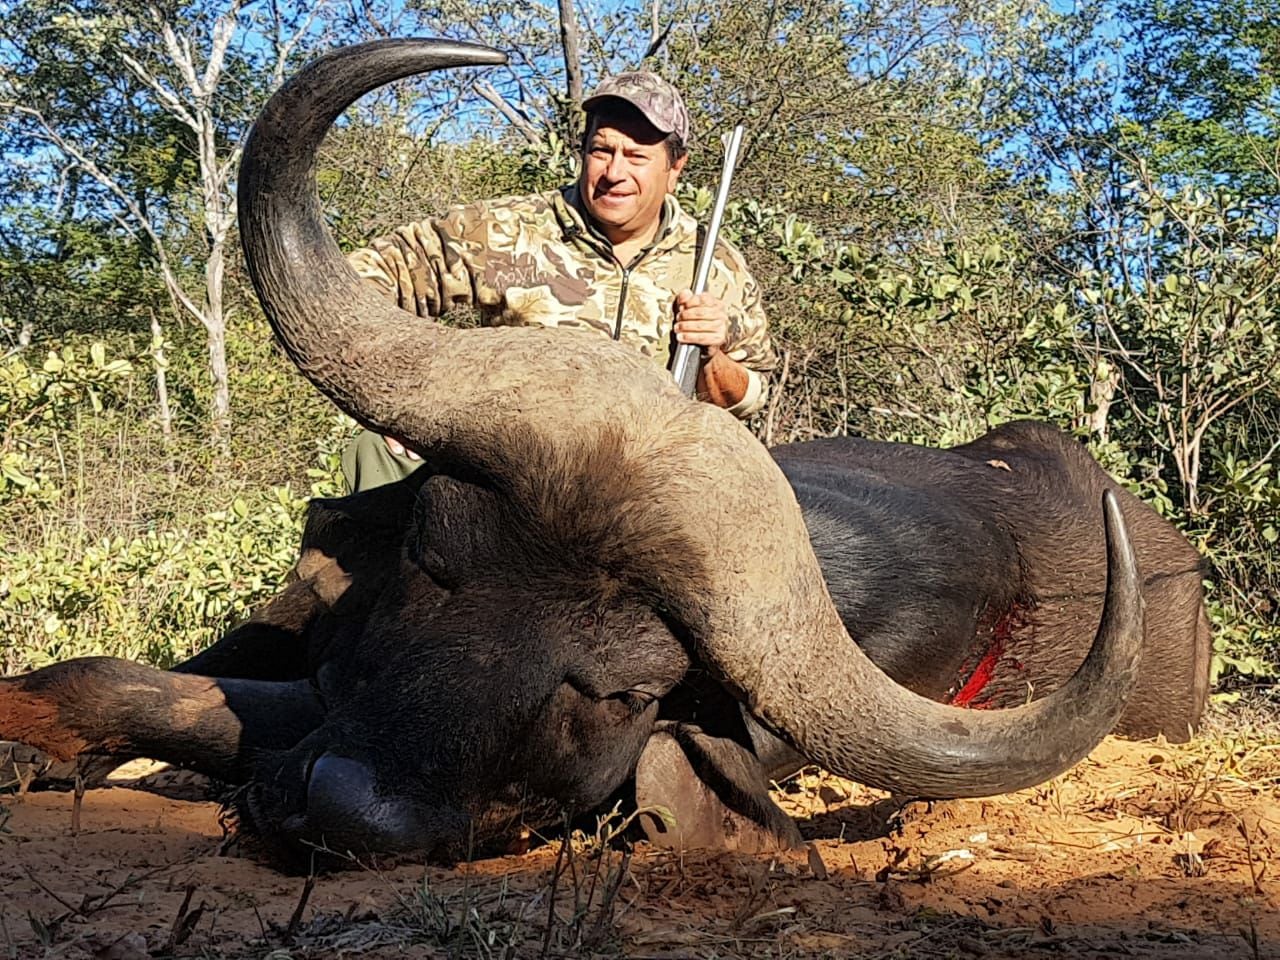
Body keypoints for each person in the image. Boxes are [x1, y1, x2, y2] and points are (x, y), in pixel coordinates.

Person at [341, 70, 778, 492]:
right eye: (601, 150)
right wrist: (408, 400)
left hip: (649, 489)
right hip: (510, 474)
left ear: (675, 168)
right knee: (377, 454)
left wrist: (712, 357)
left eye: (638, 156)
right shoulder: (507, 229)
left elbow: (752, 391)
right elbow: (362, 279)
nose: (614, 173)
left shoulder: (717, 265)